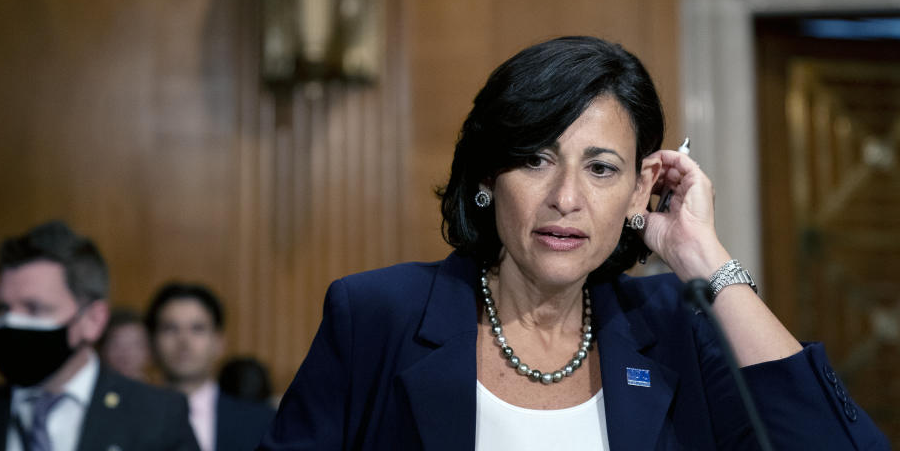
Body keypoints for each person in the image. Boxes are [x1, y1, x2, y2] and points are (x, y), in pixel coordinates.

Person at [259, 36, 889, 450]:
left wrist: (705, 257)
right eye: (535, 160)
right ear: (487, 177)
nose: (566, 197)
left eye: (601, 168)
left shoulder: (677, 328)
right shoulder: (375, 314)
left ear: (640, 188)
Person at [0, 220, 200, 451]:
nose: (11, 322)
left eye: (35, 308)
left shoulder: (157, 417)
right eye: (3, 309)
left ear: (93, 320)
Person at [145, 282, 276, 451]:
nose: (184, 341)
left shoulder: (263, 422)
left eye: (197, 329)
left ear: (218, 342)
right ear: (152, 342)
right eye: (170, 328)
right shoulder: (130, 417)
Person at [97, 306, 152, 381]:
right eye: (117, 345)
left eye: (134, 345)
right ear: (102, 349)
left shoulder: (159, 390)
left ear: (148, 350)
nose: (126, 353)